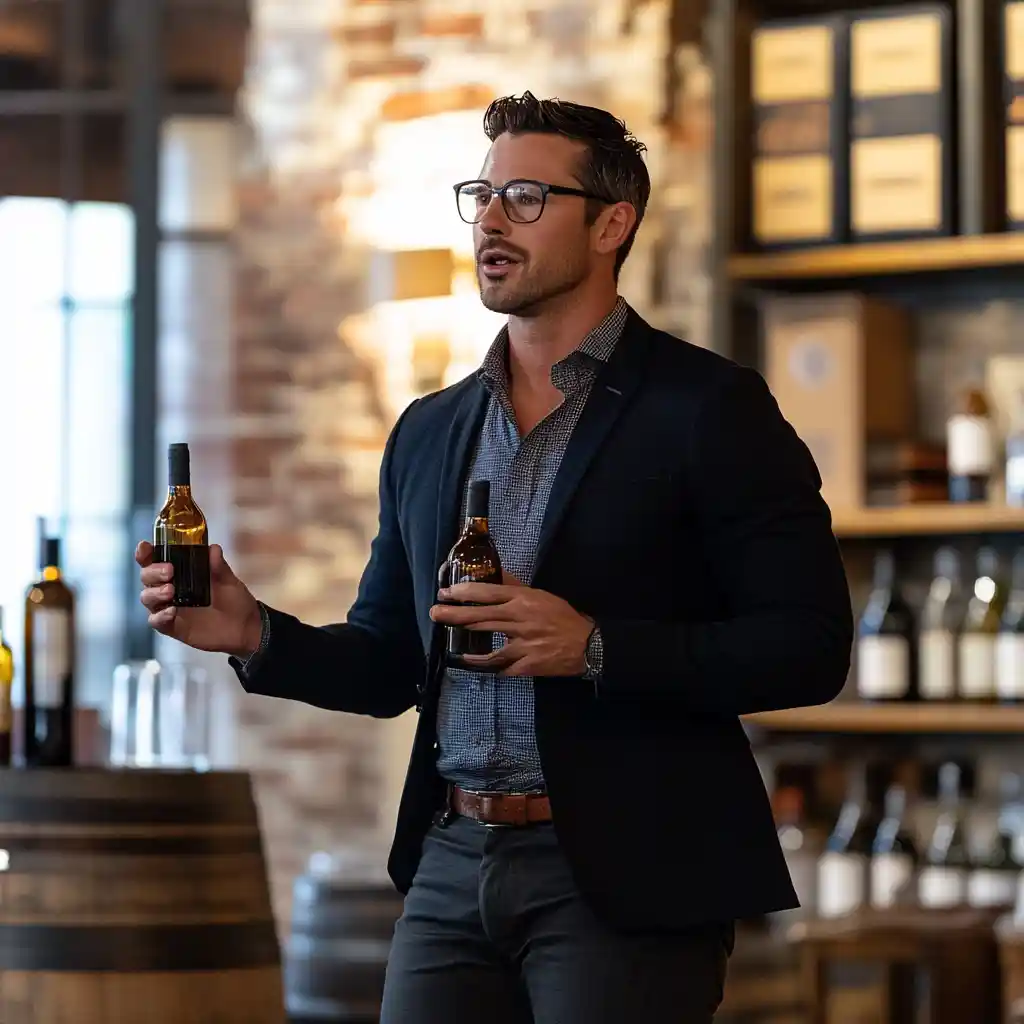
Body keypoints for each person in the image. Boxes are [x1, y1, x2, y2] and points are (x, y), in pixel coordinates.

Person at [137, 91, 853, 1023]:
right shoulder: (429, 431)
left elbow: (809, 646)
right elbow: (391, 659)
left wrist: (595, 646)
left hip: (625, 876)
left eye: (524, 196)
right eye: (481, 195)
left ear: (612, 224)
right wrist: (255, 632)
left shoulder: (709, 408)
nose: (489, 221)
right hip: (450, 861)